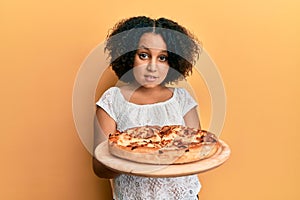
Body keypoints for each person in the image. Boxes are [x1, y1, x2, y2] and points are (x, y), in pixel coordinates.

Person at [93, 16, 202, 200]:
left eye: (162, 58)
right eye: (143, 55)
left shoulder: (182, 99)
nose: (152, 67)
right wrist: (127, 152)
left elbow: (195, 152)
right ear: (128, 56)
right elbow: (99, 168)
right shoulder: (112, 100)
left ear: (173, 62)